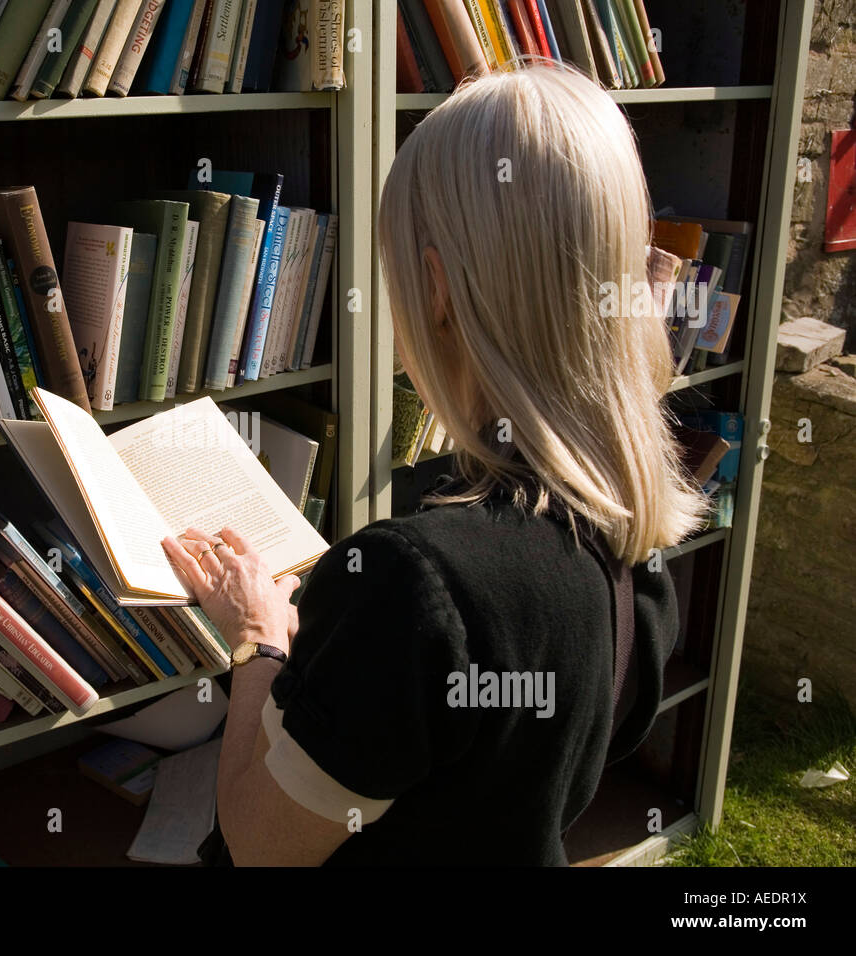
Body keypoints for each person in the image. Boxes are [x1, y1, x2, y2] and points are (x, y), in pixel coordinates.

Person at [160, 62, 705, 866]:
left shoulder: (412, 583)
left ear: (438, 288)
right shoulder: (631, 542)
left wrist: (259, 644)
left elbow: (259, 844)